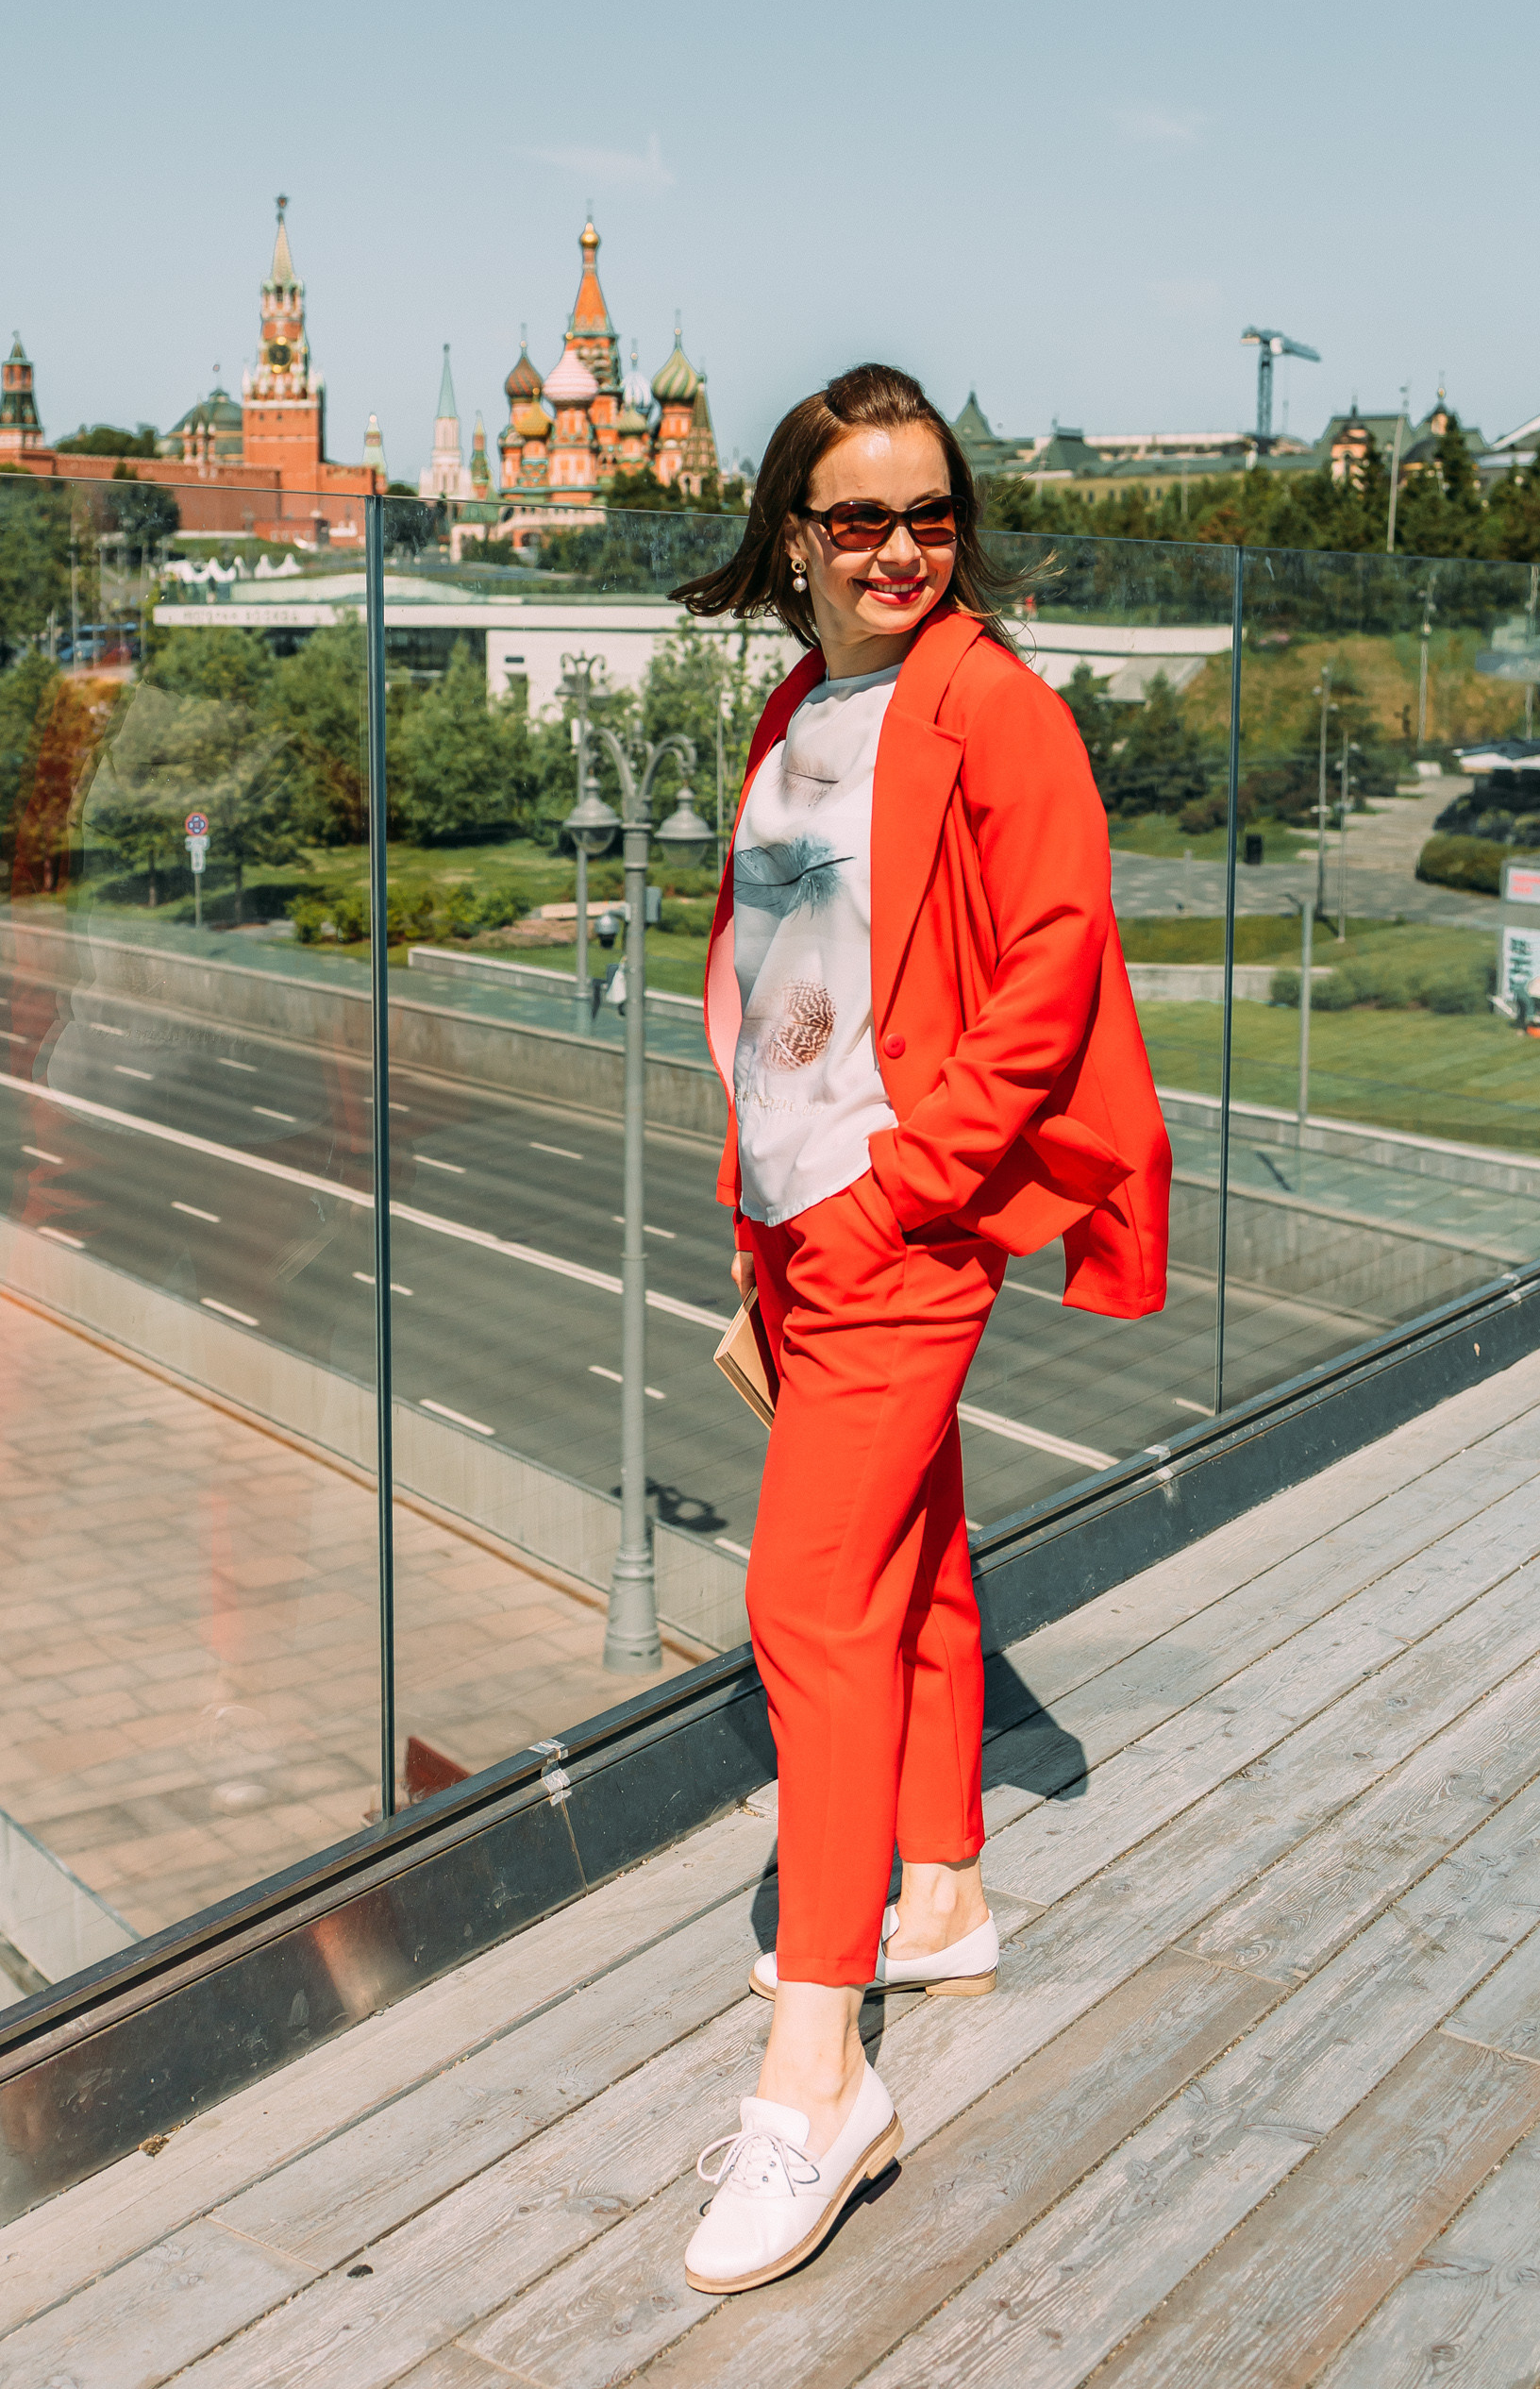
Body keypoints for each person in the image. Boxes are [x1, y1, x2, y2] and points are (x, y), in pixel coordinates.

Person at [675, 363, 1170, 2296]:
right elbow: (773, 961)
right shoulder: (803, 707)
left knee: (805, 1602)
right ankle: (940, 1887)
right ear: (795, 535)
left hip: (901, 1216)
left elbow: (1053, 962)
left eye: (931, 514)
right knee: (914, 1542)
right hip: (802, 1211)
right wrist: (760, 1220)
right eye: (861, 517)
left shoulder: (991, 703)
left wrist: (903, 1186)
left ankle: (818, 2081)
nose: (901, 549)